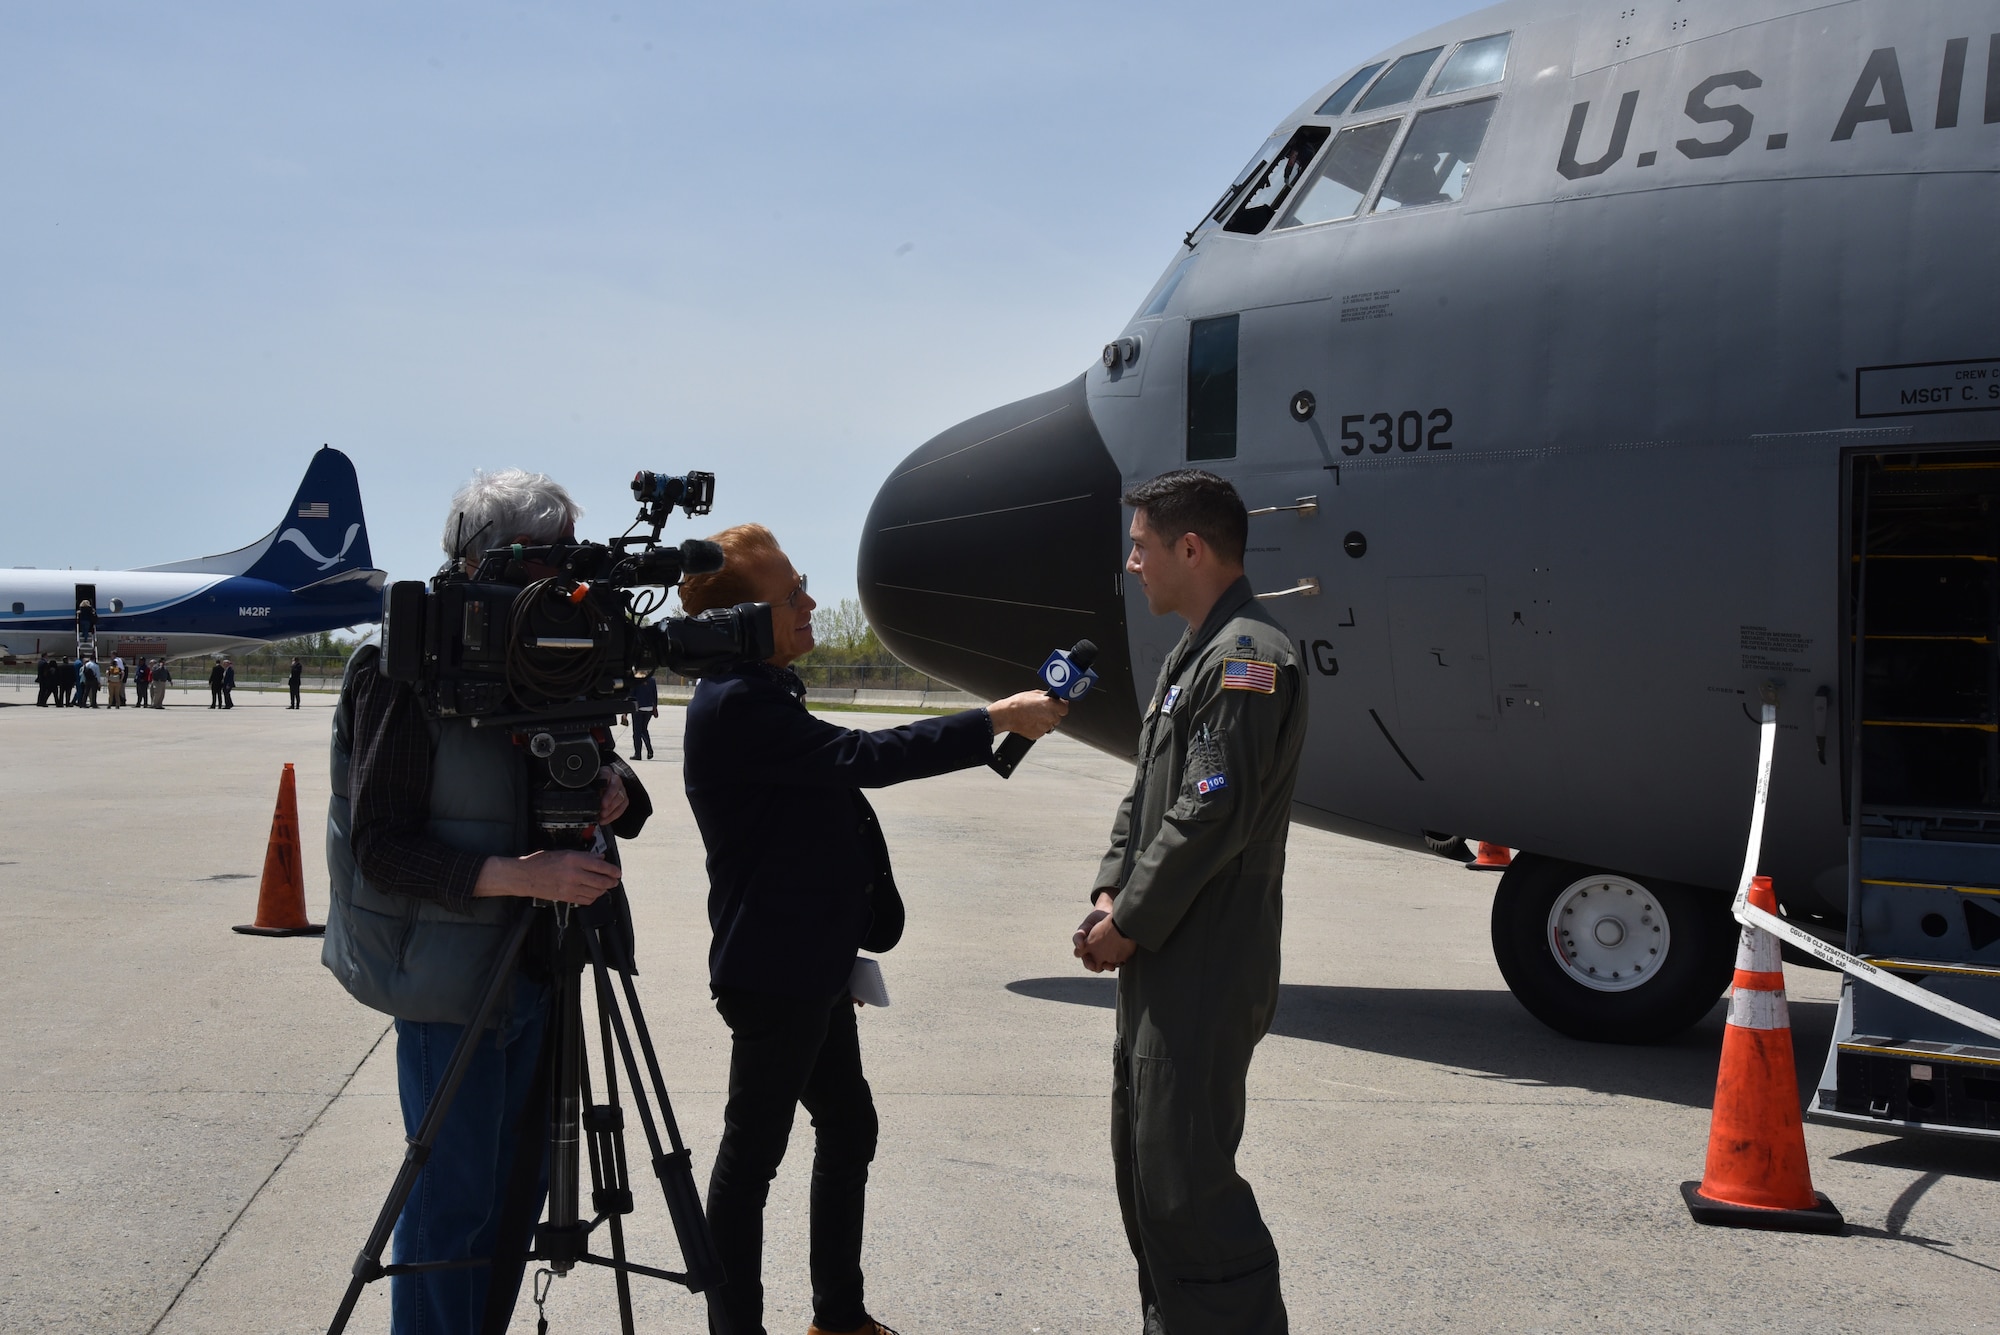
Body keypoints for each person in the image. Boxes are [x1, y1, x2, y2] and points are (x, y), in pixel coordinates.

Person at [679, 524, 1068, 1335]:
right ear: (742, 620)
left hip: (810, 964)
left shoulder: (763, 689)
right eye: (791, 597)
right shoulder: (738, 702)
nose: (811, 602)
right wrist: (994, 716)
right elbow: (864, 757)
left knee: (848, 1124)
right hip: (776, 971)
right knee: (751, 1159)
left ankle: (839, 1316)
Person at [322, 467, 649, 1335]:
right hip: (449, 983)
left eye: (561, 559)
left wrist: (611, 782)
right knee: (451, 1207)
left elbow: (595, 764)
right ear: (476, 559)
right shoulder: (402, 661)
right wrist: (521, 874)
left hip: (541, 968)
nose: (552, 580)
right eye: (533, 559)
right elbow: (381, 848)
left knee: (514, 1202)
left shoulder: (547, 646)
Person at [1072, 470, 1308, 1335]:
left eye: (1141, 546)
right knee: (1148, 1175)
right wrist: (1111, 887)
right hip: (1163, 953)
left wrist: (1127, 921)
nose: (1133, 563)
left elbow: (1210, 806)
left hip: (1203, 957)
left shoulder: (1249, 657)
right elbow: (1149, 794)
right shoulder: (1193, 653)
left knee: (1187, 1190)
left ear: (1191, 548)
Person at [629, 668, 658, 759]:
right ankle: (649, 750)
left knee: (637, 732)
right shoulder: (652, 680)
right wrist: (655, 707)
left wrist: (626, 712)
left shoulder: (635, 680)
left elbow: (631, 696)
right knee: (644, 730)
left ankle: (638, 754)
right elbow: (655, 695)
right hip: (649, 708)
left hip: (638, 709)